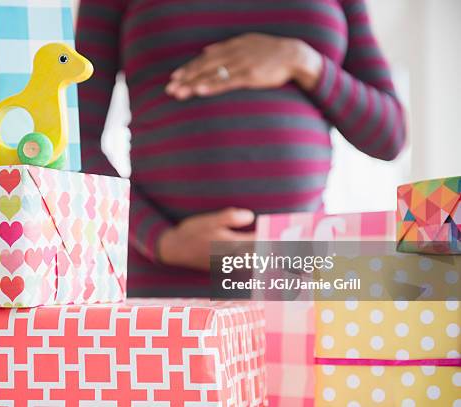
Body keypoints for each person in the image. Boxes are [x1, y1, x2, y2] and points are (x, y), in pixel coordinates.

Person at [76, 0, 405, 297]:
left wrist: (303, 62)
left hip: (297, 275)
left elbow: (390, 135)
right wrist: (161, 239)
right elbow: (73, 140)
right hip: (164, 278)